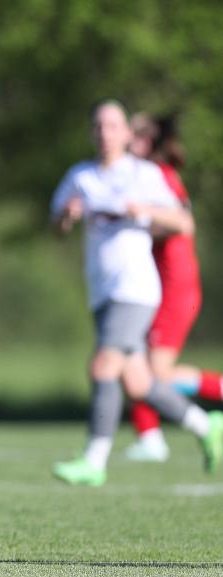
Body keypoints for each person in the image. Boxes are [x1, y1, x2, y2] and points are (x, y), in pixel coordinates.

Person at [49, 98, 223, 486]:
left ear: (127, 134)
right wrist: (67, 216)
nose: (104, 132)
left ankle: (95, 460)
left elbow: (182, 220)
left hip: (137, 289)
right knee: (139, 383)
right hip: (102, 292)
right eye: (98, 125)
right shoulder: (81, 176)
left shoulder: (144, 174)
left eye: (112, 125)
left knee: (102, 366)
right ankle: (206, 424)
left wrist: (139, 208)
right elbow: (55, 225)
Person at [124, 113, 223, 462]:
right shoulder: (135, 176)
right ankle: (150, 439)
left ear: (148, 142)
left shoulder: (160, 176)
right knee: (130, 359)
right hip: (155, 286)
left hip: (174, 286)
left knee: (153, 372)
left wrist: (139, 218)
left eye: (132, 132)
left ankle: (156, 438)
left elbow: (183, 223)